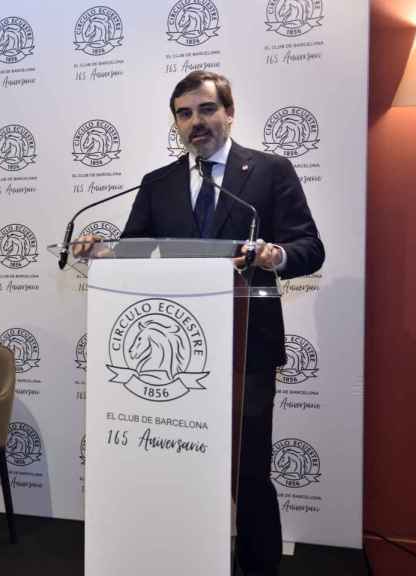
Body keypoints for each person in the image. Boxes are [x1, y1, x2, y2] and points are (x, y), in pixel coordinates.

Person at [83, 70, 324, 576]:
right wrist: (98, 251)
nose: (197, 122)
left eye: (207, 109)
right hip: (178, 357)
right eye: (185, 113)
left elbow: (310, 247)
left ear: (229, 113)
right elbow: (131, 250)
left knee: (249, 472)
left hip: (247, 349)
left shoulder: (269, 171)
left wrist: (274, 253)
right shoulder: (159, 183)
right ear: (175, 123)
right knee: (180, 467)